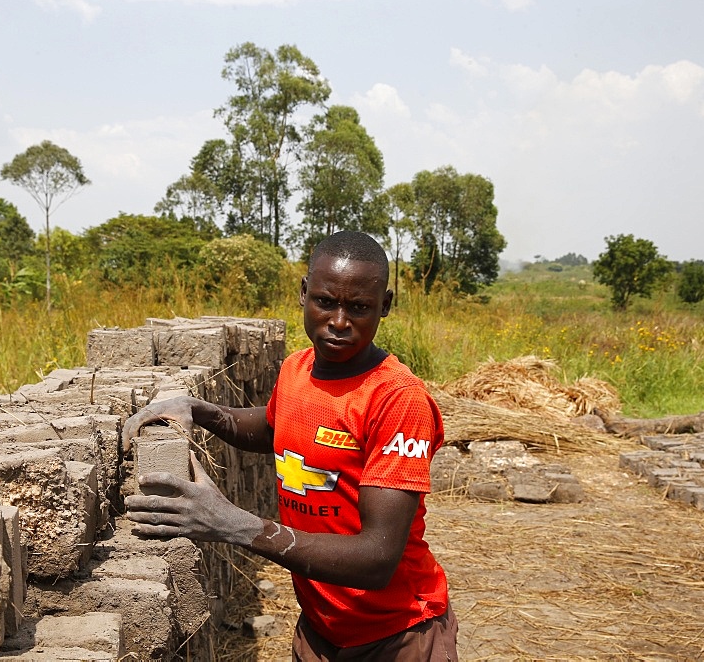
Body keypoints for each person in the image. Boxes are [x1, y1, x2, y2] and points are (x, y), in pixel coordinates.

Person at [123, 230, 458, 661]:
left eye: (359, 307)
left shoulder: (396, 399)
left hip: (396, 635)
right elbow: (271, 427)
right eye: (325, 301)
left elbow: (377, 559)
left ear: (385, 306)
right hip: (320, 630)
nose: (339, 321)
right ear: (303, 293)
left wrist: (234, 524)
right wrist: (201, 411)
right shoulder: (297, 369)